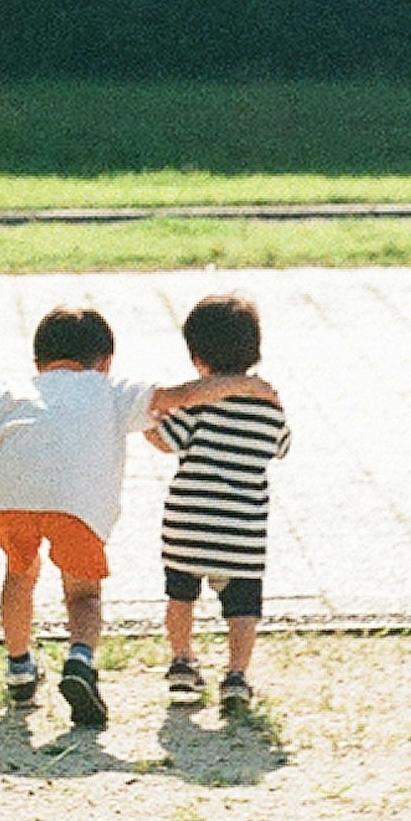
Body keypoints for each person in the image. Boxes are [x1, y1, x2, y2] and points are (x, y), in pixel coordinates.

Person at [0, 304, 270, 727]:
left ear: (38, 360)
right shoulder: (113, 390)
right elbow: (181, 397)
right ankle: (79, 659)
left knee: (20, 573)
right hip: (75, 508)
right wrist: (245, 384)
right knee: (83, 595)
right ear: (106, 360)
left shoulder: (12, 388)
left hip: (10, 501)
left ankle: (20, 668)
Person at [146, 293, 288, 712]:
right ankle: (237, 674)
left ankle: (183, 661)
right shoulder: (268, 409)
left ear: (197, 358)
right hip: (242, 528)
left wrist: (146, 422)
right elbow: (281, 447)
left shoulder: (197, 404)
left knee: (180, 597)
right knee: (243, 606)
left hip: (188, 524)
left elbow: (164, 441)